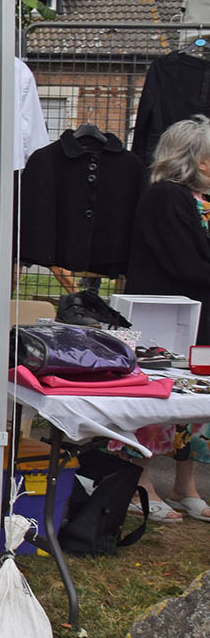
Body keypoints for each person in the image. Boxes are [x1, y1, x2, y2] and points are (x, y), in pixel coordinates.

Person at [125, 115, 210, 521]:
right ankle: (139, 483)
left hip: (200, 317)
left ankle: (184, 485)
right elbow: (187, 263)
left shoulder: (199, 199)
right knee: (159, 403)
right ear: (197, 159)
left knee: (194, 405)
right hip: (167, 316)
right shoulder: (165, 198)